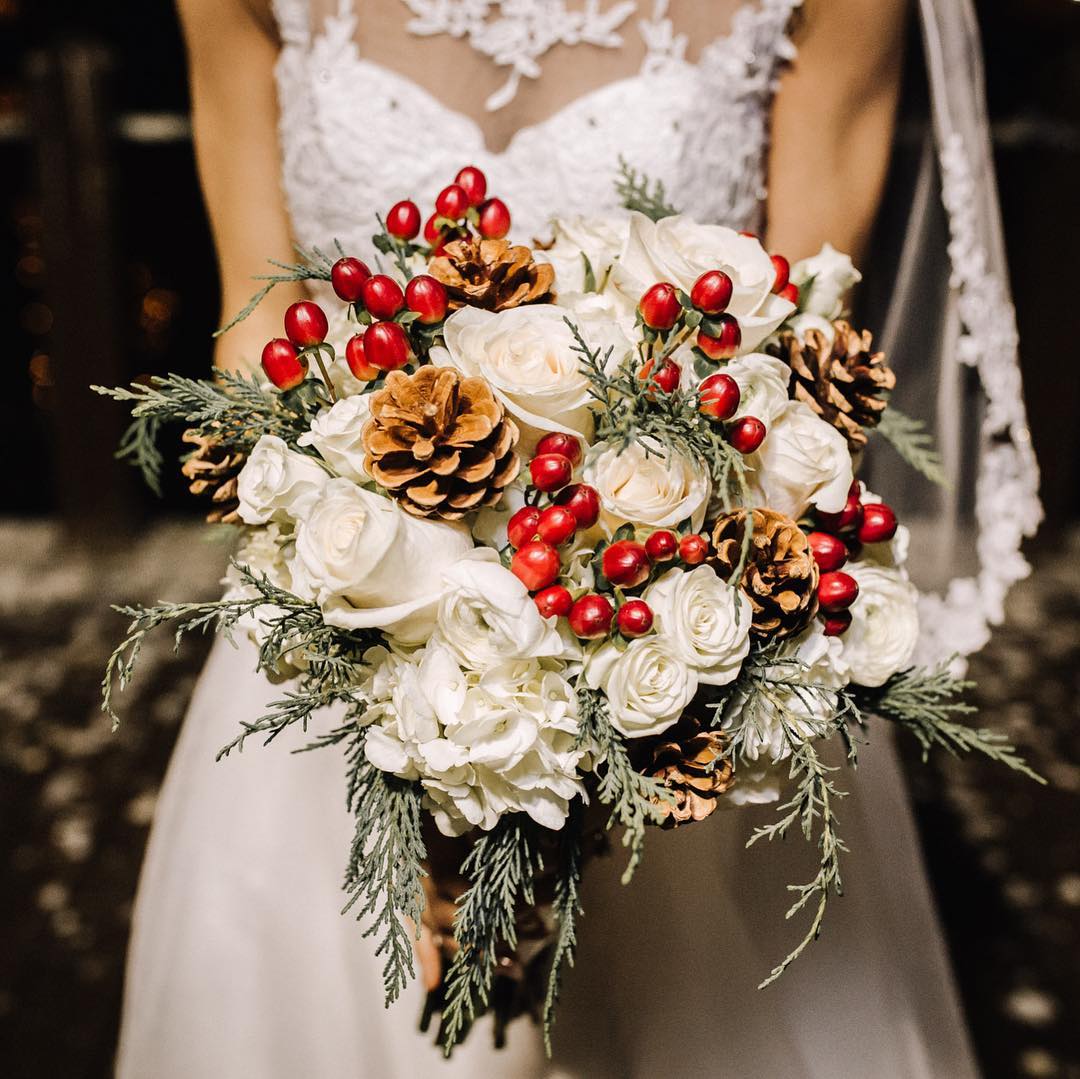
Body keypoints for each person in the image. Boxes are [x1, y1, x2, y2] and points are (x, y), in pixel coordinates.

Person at [116, 1, 1038, 1075]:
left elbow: (801, 371)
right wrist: (413, 709)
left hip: (679, 651)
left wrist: (576, 751)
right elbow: (258, 322)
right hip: (347, 623)